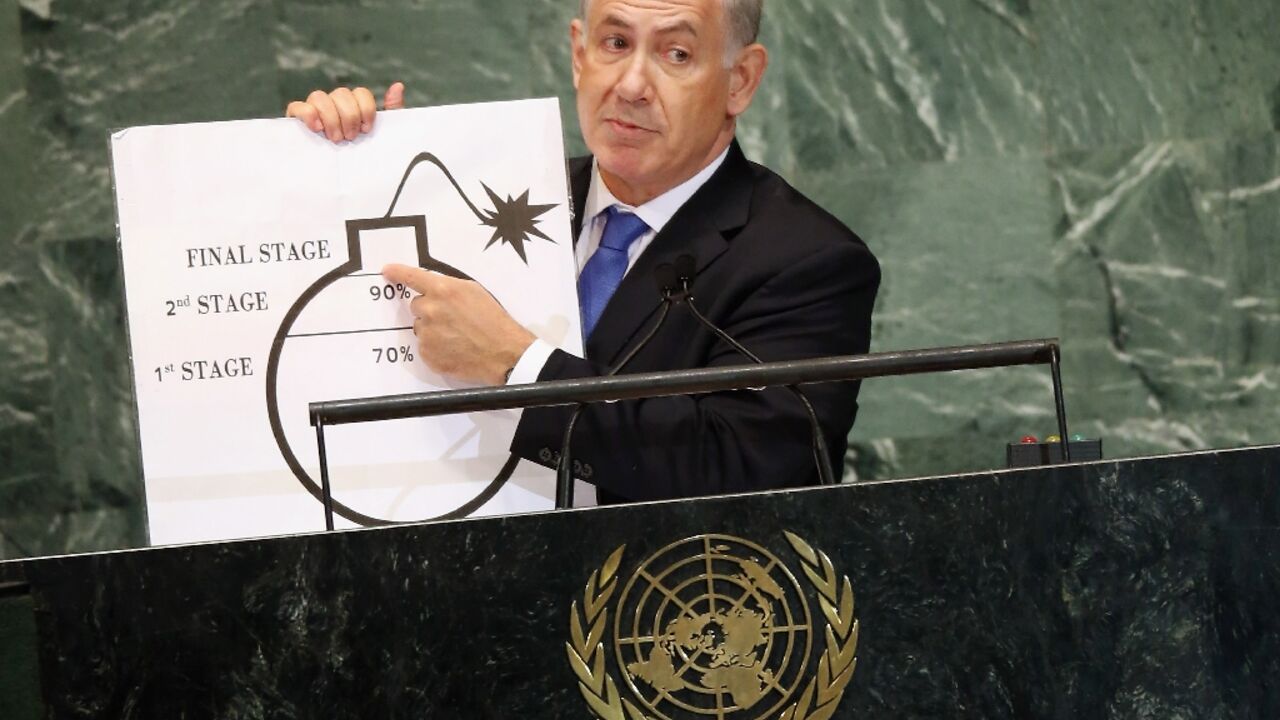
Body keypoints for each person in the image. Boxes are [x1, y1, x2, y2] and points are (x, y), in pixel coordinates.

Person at [286, 0, 880, 504]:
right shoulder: (482, 204)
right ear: (578, 54)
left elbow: (748, 467)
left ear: (740, 80)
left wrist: (519, 368)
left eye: (676, 54)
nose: (631, 86)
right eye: (615, 43)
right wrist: (348, 175)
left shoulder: (809, 261)